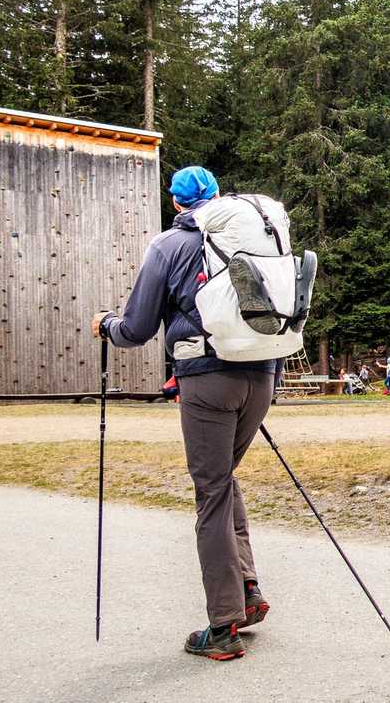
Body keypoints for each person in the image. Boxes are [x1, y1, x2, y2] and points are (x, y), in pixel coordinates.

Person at [92, 165, 276, 661]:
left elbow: (136, 329)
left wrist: (106, 325)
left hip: (208, 381)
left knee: (211, 492)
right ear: (217, 197)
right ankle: (248, 590)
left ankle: (223, 626)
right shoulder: (250, 237)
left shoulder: (168, 246)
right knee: (224, 479)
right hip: (261, 375)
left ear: (174, 203)